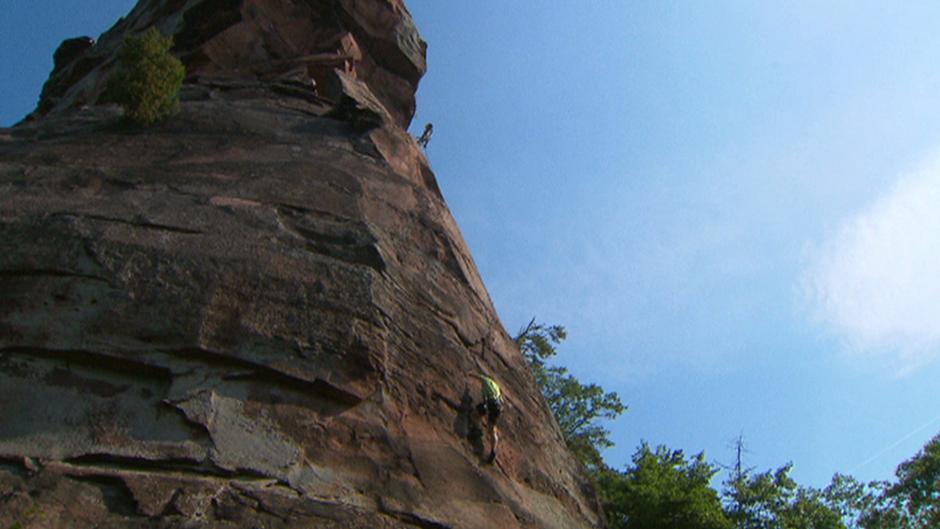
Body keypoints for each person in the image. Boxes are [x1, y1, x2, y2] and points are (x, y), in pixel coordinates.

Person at [471, 372, 502, 464]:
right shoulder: (496, 388)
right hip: (498, 406)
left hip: (490, 403)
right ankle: (493, 451)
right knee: (492, 429)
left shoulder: (487, 381)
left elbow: (478, 376)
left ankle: (477, 430)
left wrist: (469, 374)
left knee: (474, 415)